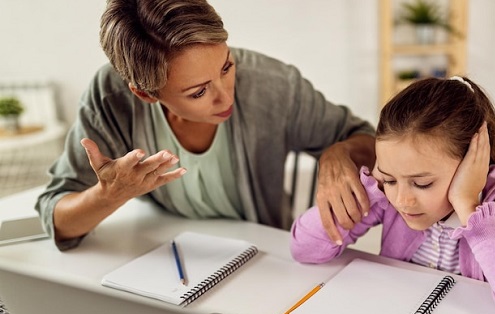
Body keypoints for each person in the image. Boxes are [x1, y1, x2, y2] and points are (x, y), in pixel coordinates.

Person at [36, 0, 376, 251]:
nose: (225, 97)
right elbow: (58, 220)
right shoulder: (110, 99)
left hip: (264, 255)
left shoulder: (274, 84)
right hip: (168, 252)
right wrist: (109, 195)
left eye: (227, 67)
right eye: (198, 91)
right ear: (145, 93)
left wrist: (339, 151)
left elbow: (370, 141)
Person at [290, 76, 495, 314]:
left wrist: (469, 209)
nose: (402, 200)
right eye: (391, 178)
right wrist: (373, 189)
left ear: (470, 163)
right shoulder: (385, 194)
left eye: (422, 183)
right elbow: (304, 248)